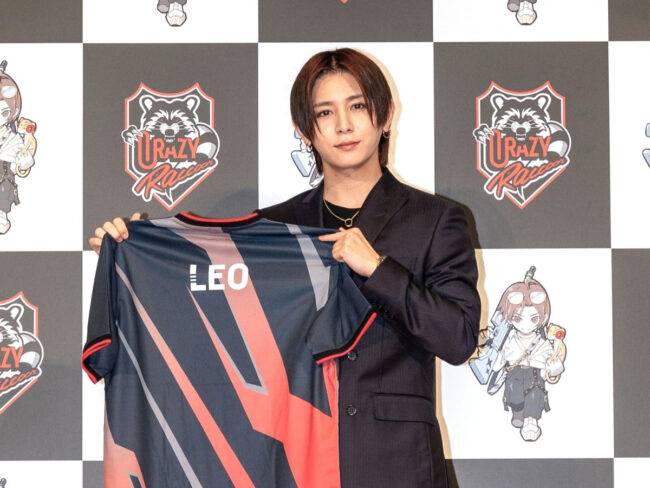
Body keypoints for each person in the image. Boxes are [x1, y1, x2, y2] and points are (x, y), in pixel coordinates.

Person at [90, 48, 481, 488]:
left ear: (386, 115)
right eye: (325, 112)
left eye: (357, 106)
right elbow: (203, 310)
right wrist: (134, 254)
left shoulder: (436, 220)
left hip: (396, 463)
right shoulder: (271, 230)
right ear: (304, 128)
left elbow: (458, 338)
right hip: (291, 461)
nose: (343, 125)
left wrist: (377, 269)